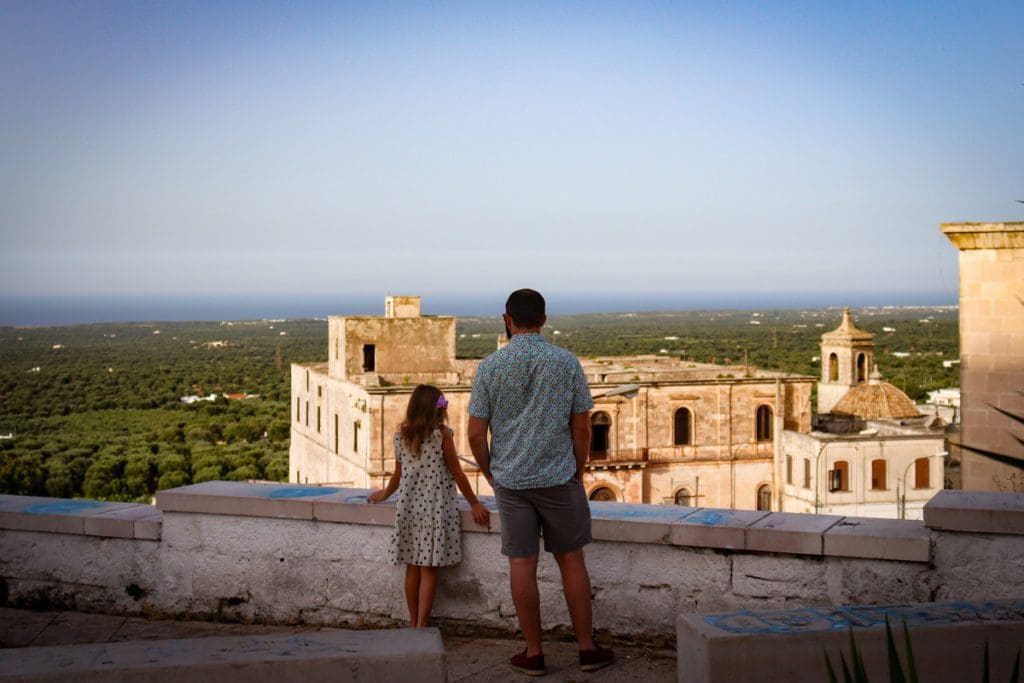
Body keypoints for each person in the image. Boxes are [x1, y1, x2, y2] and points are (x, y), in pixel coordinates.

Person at [468, 288, 614, 676]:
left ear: (508, 319)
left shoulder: (490, 367)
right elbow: (582, 427)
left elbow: (474, 433)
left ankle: (533, 652)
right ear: (544, 320)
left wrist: (490, 473)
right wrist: (578, 470)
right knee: (571, 561)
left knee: (522, 563)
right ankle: (586, 648)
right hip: (559, 478)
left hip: (511, 482)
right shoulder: (566, 364)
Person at [368, 384, 489, 628]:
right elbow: (457, 472)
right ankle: (422, 626)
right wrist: (474, 503)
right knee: (429, 569)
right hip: (434, 507)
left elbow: (397, 475)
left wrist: (385, 494)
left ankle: (413, 623)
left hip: (409, 507)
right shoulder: (441, 435)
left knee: (412, 568)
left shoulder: (401, 435)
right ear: (436, 409)